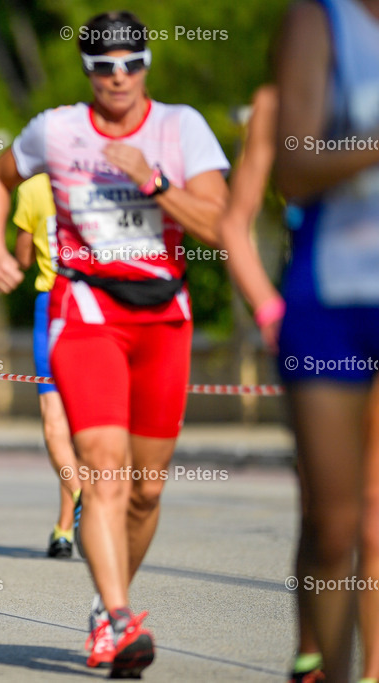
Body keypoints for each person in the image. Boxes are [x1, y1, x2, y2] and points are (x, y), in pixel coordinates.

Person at [0, 11, 229, 677]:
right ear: (87, 71)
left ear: (146, 64)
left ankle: (103, 604)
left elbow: (222, 226)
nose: (118, 76)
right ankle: (121, 621)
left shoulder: (182, 128)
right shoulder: (56, 129)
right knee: (105, 470)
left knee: (147, 489)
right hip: (85, 308)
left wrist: (154, 183)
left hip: (163, 317)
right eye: (103, 66)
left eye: (130, 63)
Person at [221, 3, 379, 669]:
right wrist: (267, 310)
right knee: (332, 520)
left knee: (374, 518)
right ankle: (316, 657)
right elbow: (253, 208)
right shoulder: (320, 23)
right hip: (330, 304)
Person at [0, 174, 82, 558]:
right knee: (82, 425)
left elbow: (24, 259)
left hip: (55, 306)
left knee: (54, 418)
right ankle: (68, 521)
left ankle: (75, 504)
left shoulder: (32, 188)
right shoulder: (105, 179)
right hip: (104, 306)